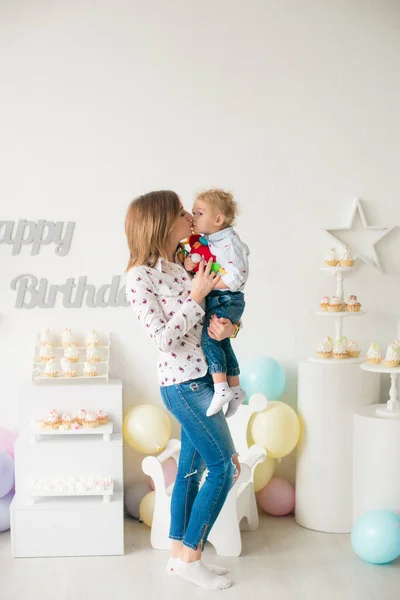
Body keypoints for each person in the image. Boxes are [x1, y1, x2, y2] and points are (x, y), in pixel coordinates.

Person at [125, 190, 241, 591]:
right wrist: (195, 297)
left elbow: (210, 319)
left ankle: (178, 555)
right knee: (225, 467)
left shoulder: (178, 266)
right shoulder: (139, 277)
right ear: (160, 223)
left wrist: (230, 327)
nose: (189, 218)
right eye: (180, 213)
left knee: (191, 473)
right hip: (183, 385)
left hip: (206, 379)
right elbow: (163, 339)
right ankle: (193, 556)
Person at [185, 189, 249, 418]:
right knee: (221, 343)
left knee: (210, 339)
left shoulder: (228, 243)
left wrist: (208, 285)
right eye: (192, 213)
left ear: (218, 219)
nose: (193, 218)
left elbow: (236, 277)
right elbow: (211, 263)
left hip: (227, 298)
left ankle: (221, 388)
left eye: (198, 213)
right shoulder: (212, 242)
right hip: (221, 298)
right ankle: (235, 388)